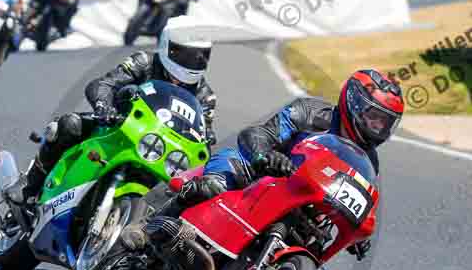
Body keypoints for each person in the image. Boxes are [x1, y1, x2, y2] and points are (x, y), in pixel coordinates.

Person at [122, 69, 404, 259]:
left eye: (385, 123)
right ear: (353, 103)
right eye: (373, 117)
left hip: (300, 209)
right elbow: (259, 133)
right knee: (212, 186)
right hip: (254, 172)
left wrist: (357, 234)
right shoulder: (309, 113)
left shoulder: (369, 161)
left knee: (316, 268)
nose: (378, 127)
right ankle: (146, 229)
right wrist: (266, 156)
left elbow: (360, 198)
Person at [21, 21, 217, 202]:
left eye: (201, 57)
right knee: (68, 125)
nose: (193, 62)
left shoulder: (205, 96)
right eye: (186, 55)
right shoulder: (143, 62)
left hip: (159, 150)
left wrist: (205, 145)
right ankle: (28, 187)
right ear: (167, 46)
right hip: (118, 125)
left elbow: (204, 137)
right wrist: (103, 106)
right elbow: (104, 84)